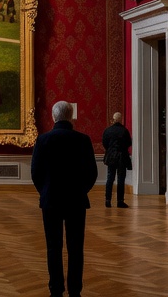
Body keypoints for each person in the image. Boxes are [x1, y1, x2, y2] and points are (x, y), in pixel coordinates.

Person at [32, 101, 97, 297]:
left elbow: (36, 173)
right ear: (71, 117)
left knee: (53, 247)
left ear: (53, 116)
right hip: (76, 200)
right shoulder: (83, 140)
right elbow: (91, 173)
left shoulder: (43, 140)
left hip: (51, 200)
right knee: (76, 248)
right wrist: (81, 190)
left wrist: (45, 191)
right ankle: (75, 290)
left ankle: (56, 289)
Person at [101, 112, 132, 208]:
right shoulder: (124, 131)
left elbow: (104, 143)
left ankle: (108, 200)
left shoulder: (108, 130)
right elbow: (129, 143)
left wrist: (110, 150)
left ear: (113, 119)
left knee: (110, 178)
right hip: (121, 157)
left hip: (111, 157)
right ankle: (120, 201)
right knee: (121, 179)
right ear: (121, 119)